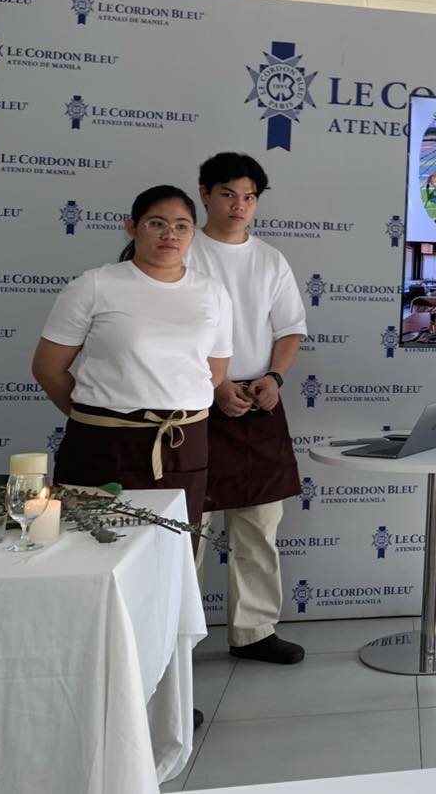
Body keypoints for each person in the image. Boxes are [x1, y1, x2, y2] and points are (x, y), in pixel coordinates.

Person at [32, 185, 231, 532]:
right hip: (104, 444)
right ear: (132, 227)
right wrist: (100, 416)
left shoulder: (212, 292)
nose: (170, 234)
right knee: (93, 546)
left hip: (182, 444)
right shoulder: (95, 285)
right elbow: (48, 368)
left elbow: (214, 372)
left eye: (181, 226)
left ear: (192, 234)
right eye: (157, 223)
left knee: (172, 550)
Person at [186, 152, 309, 666]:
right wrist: (216, 384)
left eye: (249, 197)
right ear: (205, 195)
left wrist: (274, 378)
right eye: (228, 194)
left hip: (259, 400)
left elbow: (290, 329)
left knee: (259, 523)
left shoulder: (270, 259)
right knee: (187, 529)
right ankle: (173, 638)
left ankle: (254, 631)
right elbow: (171, 330)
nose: (239, 206)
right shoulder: (182, 250)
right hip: (192, 403)